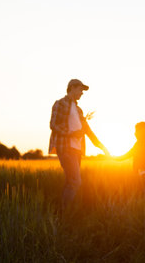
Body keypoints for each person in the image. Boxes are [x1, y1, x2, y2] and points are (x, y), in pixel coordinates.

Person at [49, 79, 110, 209]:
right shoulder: (60, 104)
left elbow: (87, 130)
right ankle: (65, 212)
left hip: (77, 149)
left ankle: (61, 212)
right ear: (72, 88)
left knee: (70, 181)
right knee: (76, 182)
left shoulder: (78, 110)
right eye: (80, 90)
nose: (82, 93)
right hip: (65, 147)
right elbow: (53, 124)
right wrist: (71, 134)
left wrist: (101, 146)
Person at [115, 122, 145, 194]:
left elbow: (127, 155)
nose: (134, 133)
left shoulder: (139, 144)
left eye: (136, 131)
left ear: (141, 133)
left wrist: (113, 157)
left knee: (144, 194)